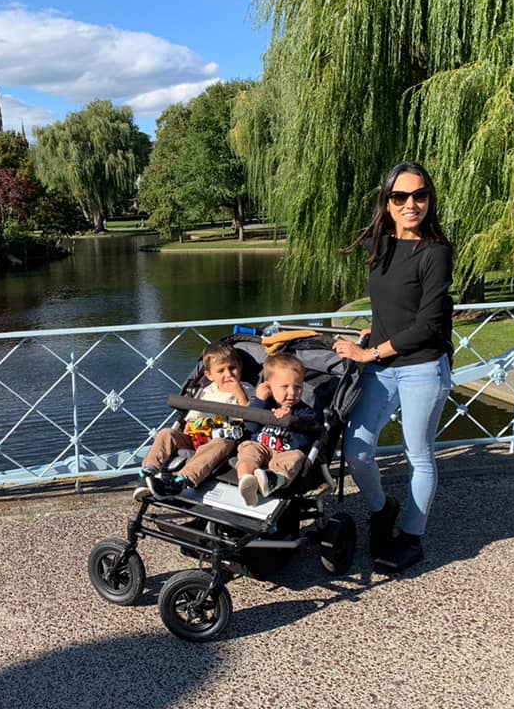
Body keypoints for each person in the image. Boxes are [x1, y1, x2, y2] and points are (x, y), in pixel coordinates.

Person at [332, 161, 454, 574]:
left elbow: (431, 323)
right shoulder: (380, 245)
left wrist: (370, 352)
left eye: (419, 195)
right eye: (400, 196)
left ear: (429, 199)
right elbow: (394, 302)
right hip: (383, 362)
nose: (410, 204)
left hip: (421, 367)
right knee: (357, 448)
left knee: (418, 455)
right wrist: (377, 328)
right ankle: (382, 509)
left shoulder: (436, 252)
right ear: (387, 202)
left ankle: (411, 537)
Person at [135, 342, 253, 500]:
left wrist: (240, 394)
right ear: (209, 375)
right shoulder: (205, 390)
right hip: (195, 436)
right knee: (166, 433)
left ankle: (182, 480)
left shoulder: (247, 389)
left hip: (224, 440)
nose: (228, 374)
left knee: (221, 443)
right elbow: (190, 418)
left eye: (232, 368)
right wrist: (188, 430)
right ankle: (148, 472)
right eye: (221, 371)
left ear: (240, 367)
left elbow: (253, 417)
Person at [235, 353, 322, 507]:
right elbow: (250, 427)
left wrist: (291, 421)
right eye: (285, 387)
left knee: (294, 457)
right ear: (268, 386)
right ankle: (246, 480)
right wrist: (260, 401)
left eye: (298, 387)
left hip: (286, 451)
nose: (292, 393)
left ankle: (272, 479)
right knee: (248, 450)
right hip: (261, 446)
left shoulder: (305, 412)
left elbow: (305, 440)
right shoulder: (264, 404)